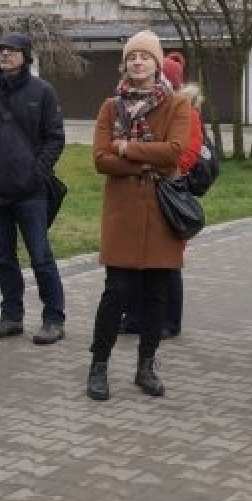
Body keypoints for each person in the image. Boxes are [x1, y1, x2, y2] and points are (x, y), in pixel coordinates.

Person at [86, 31, 191, 402]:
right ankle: (98, 366)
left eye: (146, 57)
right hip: (123, 213)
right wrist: (147, 160)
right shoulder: (110, 107)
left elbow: (174, 153)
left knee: (157, 295)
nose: (139, 63)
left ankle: (146, 366)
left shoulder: (178, 104)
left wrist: (128, 148)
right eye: (133, 57)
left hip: (162, 212)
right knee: (116, 292)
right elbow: (100, 160)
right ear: (125, 64)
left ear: (158, 64)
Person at [0, 31, 68, 346]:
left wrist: (37, 174)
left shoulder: (43, 92)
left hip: (31, 193)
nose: (5, 55)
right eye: (1, 51)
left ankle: (54, 318)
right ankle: (11, 316)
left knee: (41, 257)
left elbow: (55, 138)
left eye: (12, 51)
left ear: (26, 55)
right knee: (3, 259)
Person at [121, 52, 203, 338]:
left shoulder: (183, 110)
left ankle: (169, 321)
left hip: (168, 192)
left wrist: (151, 162)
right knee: (134, 257)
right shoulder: (134, 106)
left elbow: (186, 153)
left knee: (166, 260)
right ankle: (133, 317)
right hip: (136, 192)